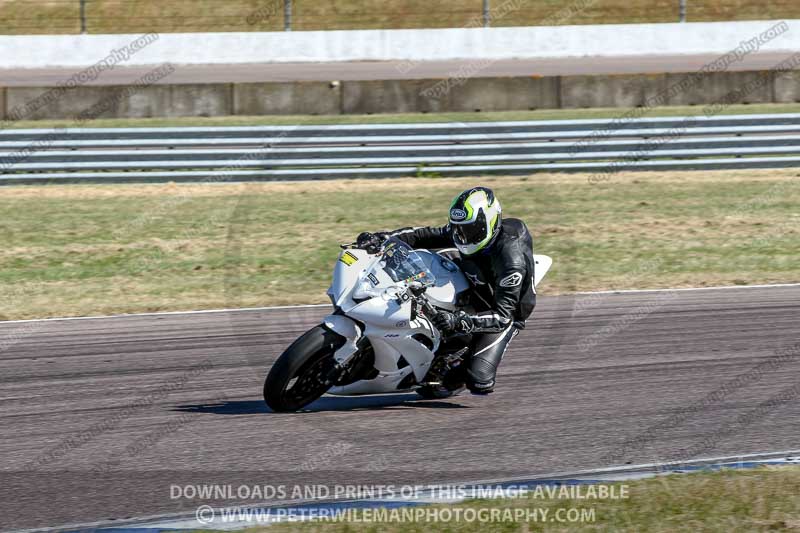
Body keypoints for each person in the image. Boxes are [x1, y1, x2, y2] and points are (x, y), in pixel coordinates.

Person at [356, 186, 536, 394]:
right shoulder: (463, 233)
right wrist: (382, 239)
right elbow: (422, 235)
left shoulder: (511, 262)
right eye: (459, 228)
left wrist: (459, 321)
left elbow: (503, 316)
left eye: (470, 230)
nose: (463, 236)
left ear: (490, 223)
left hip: (504, 311)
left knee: (479, 381)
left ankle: (450, 372)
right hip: (473, 277)